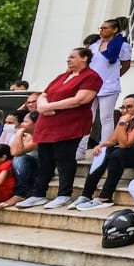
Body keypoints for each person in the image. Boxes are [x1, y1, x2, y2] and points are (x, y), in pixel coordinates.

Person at [17, 48, 102, 209]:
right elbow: (44, 94)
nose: (68, 60)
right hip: (48, 123)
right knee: (44, 160)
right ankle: (38, 194)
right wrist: (42, 106)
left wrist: (50, 106)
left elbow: (80, 99)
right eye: (68, 57)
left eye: (72, 57)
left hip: (70, 124)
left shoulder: (91, 77)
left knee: (64, 160)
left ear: (84, 59)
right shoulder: (62, 76)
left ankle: (64, 194)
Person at [71, 94, 134, 211]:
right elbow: (113, 140)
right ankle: (86, 195)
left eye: (129, 107)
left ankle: (105, 198)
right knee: (103, 153)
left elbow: (125, 144)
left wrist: (122, 123)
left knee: (118, 155)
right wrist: (101, 146)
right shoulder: (126, 117)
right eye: (123, 107)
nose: (125, 110)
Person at [83, 16, 131, 160]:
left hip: (108, 85)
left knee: (106, 118)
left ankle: (104, 149)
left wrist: (114, 76)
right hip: (92, 85)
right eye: (101, 28)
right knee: (87, 117)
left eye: (105, 28)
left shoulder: (121, 45)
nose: (102, 31)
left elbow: (126, 64)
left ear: (114, 30)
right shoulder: (94, 45)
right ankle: (81, 148)